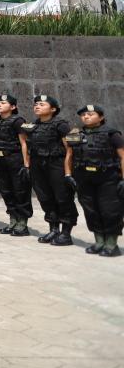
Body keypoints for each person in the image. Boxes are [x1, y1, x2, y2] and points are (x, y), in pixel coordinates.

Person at [66, 104, 124, 257]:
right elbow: (69, 155)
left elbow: (123, 157)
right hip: (84, 178)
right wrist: (68, 174)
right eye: (83, 115)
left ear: (101, 117)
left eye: (90, 114)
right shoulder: (75, 133)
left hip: (108, 178)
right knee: (91, 210)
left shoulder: (112, 134)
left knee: (110, 210)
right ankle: (99, 241)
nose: (86, 117)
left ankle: (111, 244)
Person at [23, 95, 75, 245]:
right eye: (36, 104)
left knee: (62, 197)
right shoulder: (33, 125)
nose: (37, 106)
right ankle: (53, 229)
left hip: (56, 164)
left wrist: (68, 172)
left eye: (42, 104)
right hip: (38, 165)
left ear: (53, 109)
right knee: (45, 197)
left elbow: (70, 149)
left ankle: (66, 233)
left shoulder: (61, 125)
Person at [0, 94, 32, 236]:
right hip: (0, 161)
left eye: (3, 103)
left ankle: (22, 223)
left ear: (13, 107)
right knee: (6, 191)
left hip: (15, 159)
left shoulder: (18, 121)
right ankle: (13, 220)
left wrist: (26, 164)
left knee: (20, 191)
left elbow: (24, 143)